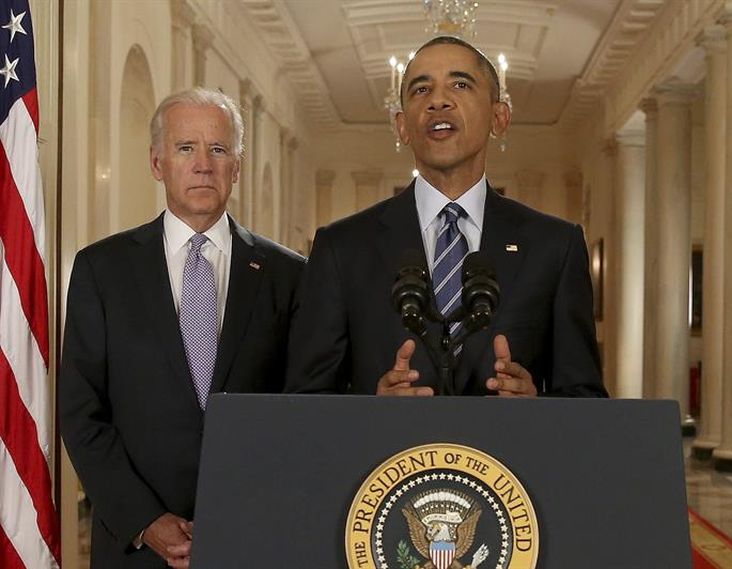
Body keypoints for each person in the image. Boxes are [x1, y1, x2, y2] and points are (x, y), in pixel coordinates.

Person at [59, 88, 305, 568]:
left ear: (237, 167)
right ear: (157, 162)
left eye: (218, 149)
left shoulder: (290, 275)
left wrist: (256, 513)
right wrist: (145, 520)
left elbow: (304, 405)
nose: (203, 164)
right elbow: (81, 412)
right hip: (135, 547)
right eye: (185, 148)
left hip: (256, 540)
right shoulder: (101, 270)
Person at [286, 36, 606, 398]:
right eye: (421, 89)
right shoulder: (341, 248)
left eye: (460, 84)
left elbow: (586, 400)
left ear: (499, 117)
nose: (438, 100)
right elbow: (304, 401)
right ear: (403, 126)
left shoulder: (555, 246)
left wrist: (537, 409)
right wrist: (369, 415)